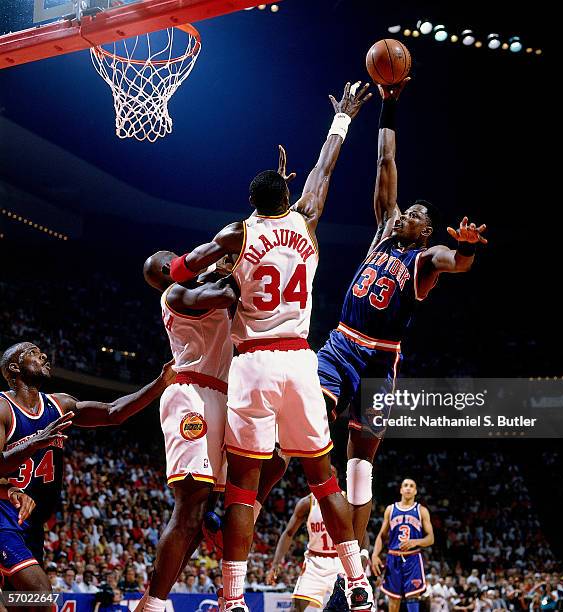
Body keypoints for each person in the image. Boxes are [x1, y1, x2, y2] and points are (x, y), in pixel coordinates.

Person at [167, 81, 374, 612]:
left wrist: (172, 271)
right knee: (323, 479)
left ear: (251, 203)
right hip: (301, 358)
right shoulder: (306, 220)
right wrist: (343, 118)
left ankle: (233, 598)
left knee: (243, 486)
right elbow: (324, 171)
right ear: (288, 194)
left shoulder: (236, 234)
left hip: (253, 363)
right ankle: (357, 582)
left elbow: (184, 268)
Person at [316, 79, 487, 551]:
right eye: (402, 209)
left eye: (410, 213)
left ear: (426, 229)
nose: (402, 212)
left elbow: (457, 264)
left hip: (378, 363)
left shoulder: (426, 257)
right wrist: (389, 105)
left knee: (360, 470)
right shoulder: (381, 235)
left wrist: (465, 250)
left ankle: (349, 568)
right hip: (341, 344)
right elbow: (384, 161)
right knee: (312, 416)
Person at [0, 341, 175, 594]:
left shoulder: (60, 405)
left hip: (33, 524)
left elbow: (113, 412)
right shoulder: (4, 408)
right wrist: (34, 444)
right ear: (15, 368)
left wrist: (161, 382)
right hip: (4, 515)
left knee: (23, 604)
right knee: (41, 595)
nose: (44, 356)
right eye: (33, 353)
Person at [137, 254, 237, 609]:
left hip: (222, 393)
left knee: (204, 514)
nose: (181, 259)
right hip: (192, 394)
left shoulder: (195, 285)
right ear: (167, 272)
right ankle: (153, 604)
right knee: (189, 507)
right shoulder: (176, 294)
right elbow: (225, 295)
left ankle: (162, 597)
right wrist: (233, 267)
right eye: (173, 260)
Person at [266, 467, 345, 611]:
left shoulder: (347, 500)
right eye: (324, 474)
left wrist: (363, 556)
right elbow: (288, 533)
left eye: (332, 475)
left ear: (337, 480)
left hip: (341, 561)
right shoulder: (307, 503)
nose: (327, 478)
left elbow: (363, 533)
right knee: (296, 608)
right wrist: (276, 563)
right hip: (314, 562)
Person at [371, 478, 434, 612]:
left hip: (413, 558)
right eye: (405, 485)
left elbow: (431, 538)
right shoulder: (390, 509)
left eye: (412, 486)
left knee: (413, 597)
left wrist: (415, 542)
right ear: (401, 490)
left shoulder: (421, 510)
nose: (408, 488)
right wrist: (375, 555)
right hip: (393, 558)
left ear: (415, 491)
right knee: (394, 601)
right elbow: (382, 535)